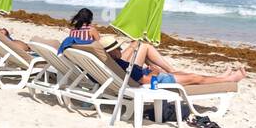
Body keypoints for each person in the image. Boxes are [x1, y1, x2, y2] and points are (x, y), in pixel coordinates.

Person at [92, 35, 246, 87]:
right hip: (152, 80)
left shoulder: (108, 62)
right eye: (118, 49)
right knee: (194, 78)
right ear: (112, 52)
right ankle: (229, 80)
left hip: (134, 76)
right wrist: (154, 71)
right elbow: (146, 81)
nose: (121, 50)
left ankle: (222, 77)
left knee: (184, 74)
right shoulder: (123, 65)